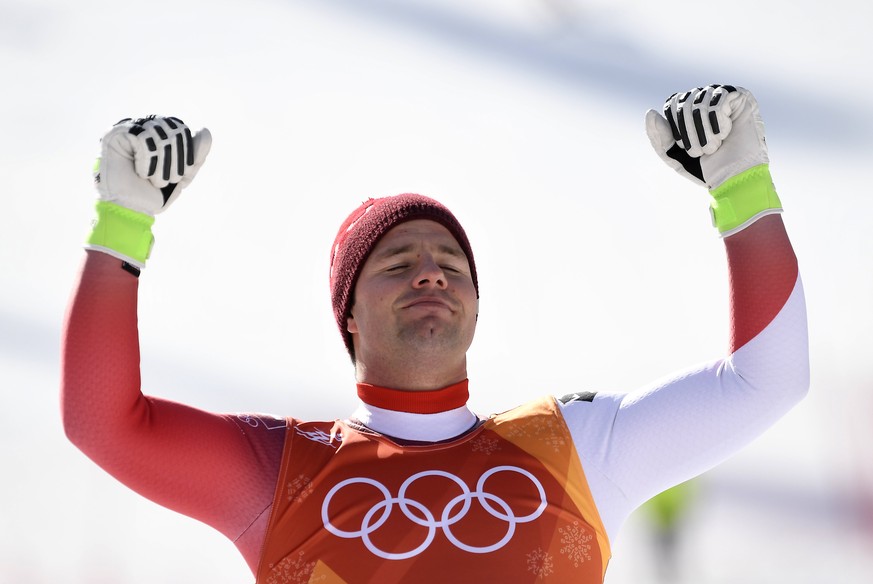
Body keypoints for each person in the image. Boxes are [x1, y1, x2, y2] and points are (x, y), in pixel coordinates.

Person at [61, 85, 809, 583]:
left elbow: (767, 380)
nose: (431, 273)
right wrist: (123, 224)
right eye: (396, 263)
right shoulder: (279, 469)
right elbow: (104, 424)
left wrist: (738, 181)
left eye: (451, 262)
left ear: (476, 307)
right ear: (347, 314)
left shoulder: (575, 445)